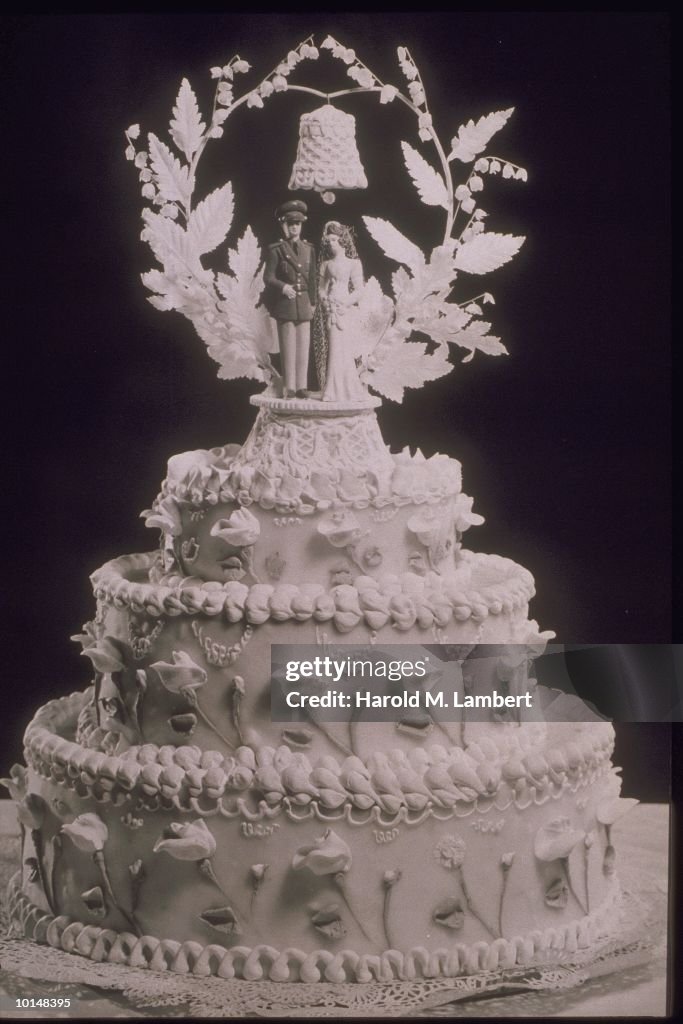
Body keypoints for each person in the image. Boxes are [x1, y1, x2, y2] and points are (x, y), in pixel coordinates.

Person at [263, 200, 317, 398]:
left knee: (303, 347)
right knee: (288, 348)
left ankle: (301, 386)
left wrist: (313, 303)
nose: (294, 227)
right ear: (283, 225)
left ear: (302, 225)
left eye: (298, 224)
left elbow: (312, 278)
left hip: (303, 305)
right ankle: (289, 387)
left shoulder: (308, 248)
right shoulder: (276, 249)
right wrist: (284, 287)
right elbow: (268, 277)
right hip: (285, 305)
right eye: (290, 224)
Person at [315, 221, 367, 402]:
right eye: (328, 241)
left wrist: (345, 302)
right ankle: (331, 390)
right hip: (331, 310)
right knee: (334, 349)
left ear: (343, 241)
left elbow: (360, 290)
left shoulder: (354, 264)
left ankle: (349, 389)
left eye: (335, 240)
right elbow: (321, 288)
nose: (331, 244)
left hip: (344, 309)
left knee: (344, 349)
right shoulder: (325, 265)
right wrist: (325, 300)